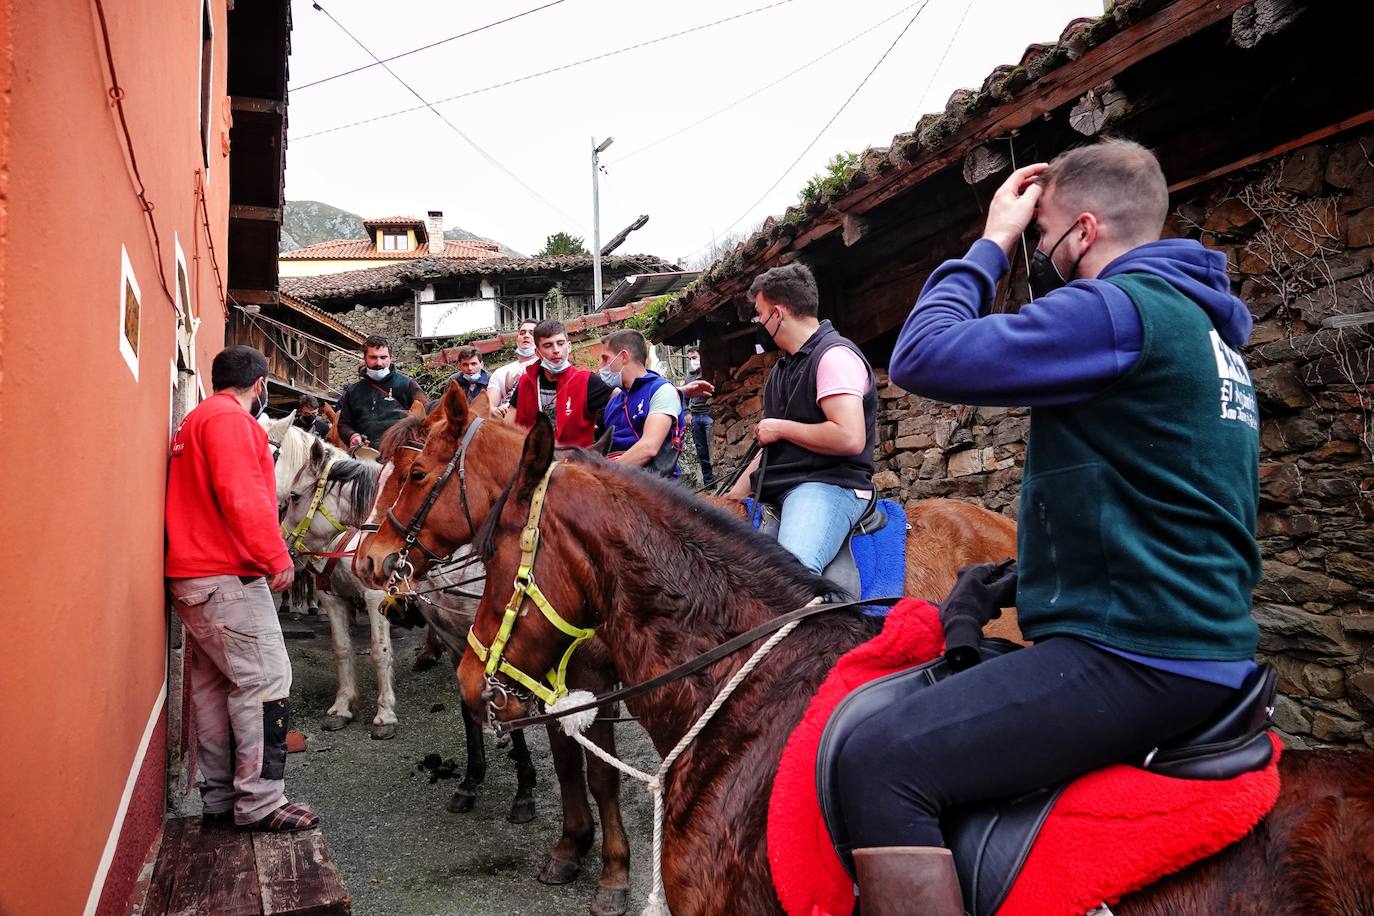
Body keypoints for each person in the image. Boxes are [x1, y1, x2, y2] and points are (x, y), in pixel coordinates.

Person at [832, 139, 1261, 914]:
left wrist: (991, 240)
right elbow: (1169, 511)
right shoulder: (1206, 332)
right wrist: (1019, 581)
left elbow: (922, 355)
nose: (1040, 253)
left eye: (1043, 236)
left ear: (1085, 230)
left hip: (1137, 656)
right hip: (1188, 642)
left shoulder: (1114, 309)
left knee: (879, 760)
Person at [164, 346, 319, 832]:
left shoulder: (194, 420)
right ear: (260, 385)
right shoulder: (234, 422)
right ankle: (260, 803)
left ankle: (219, 800)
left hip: (191, 577)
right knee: (267, 682)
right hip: (226, 576)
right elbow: (244, 496)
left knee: (213, 690)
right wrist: (277, 557)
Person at [724, 263, 877, 575]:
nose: (760, 324)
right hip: (782, 485)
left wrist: (781, 427)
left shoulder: (834, 357)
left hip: (828, 485)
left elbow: (849, 437)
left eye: (760, 315)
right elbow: (772, 449)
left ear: (778, 314)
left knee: (790, 581)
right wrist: (730, 498)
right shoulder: (783, 370)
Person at [505, 319, 613, 447]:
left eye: (560, 343)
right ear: (537, 353)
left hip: (573, 462)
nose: (556, 350)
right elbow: (507, 425)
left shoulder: (587, 381)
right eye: (548, 345)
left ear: (569, 346)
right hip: (532, 460)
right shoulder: (526, 381)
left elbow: (623, 400)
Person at [598, 329, 686, 477]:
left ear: (624, 357)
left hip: (653, 488)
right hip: (617, 483)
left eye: (605, 359)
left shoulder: (662, 391)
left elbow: (649, 447)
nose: (600, 366)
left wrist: (602, 475)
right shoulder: (614, 401)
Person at [337, 334, 425, 448]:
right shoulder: (353, 391)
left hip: (398, 456)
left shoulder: (408, 385)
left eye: (383, 357)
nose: (379, 363)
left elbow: (424, 420)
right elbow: (344, 424)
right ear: (365, 358)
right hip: (364, 456)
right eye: (373, 357)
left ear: (390, 358)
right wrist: (352, 436)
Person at [487, 319, 540, 414]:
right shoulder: (500, 372)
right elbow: (489, 406)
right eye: (522, 333)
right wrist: (495, 410)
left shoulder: (545, 369)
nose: (526, 336)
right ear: (517, 340)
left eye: (532, 333)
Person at [684, 347, 716, 486]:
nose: (692, 361)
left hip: (709, 415)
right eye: (690, 359)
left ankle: (719, 478)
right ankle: (709, 482)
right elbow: (684, 399)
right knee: (701, 451)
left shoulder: (709, 373)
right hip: (696, 417)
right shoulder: (688, 378)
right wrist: (687, 413)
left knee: (713, 450)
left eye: (694, 358)